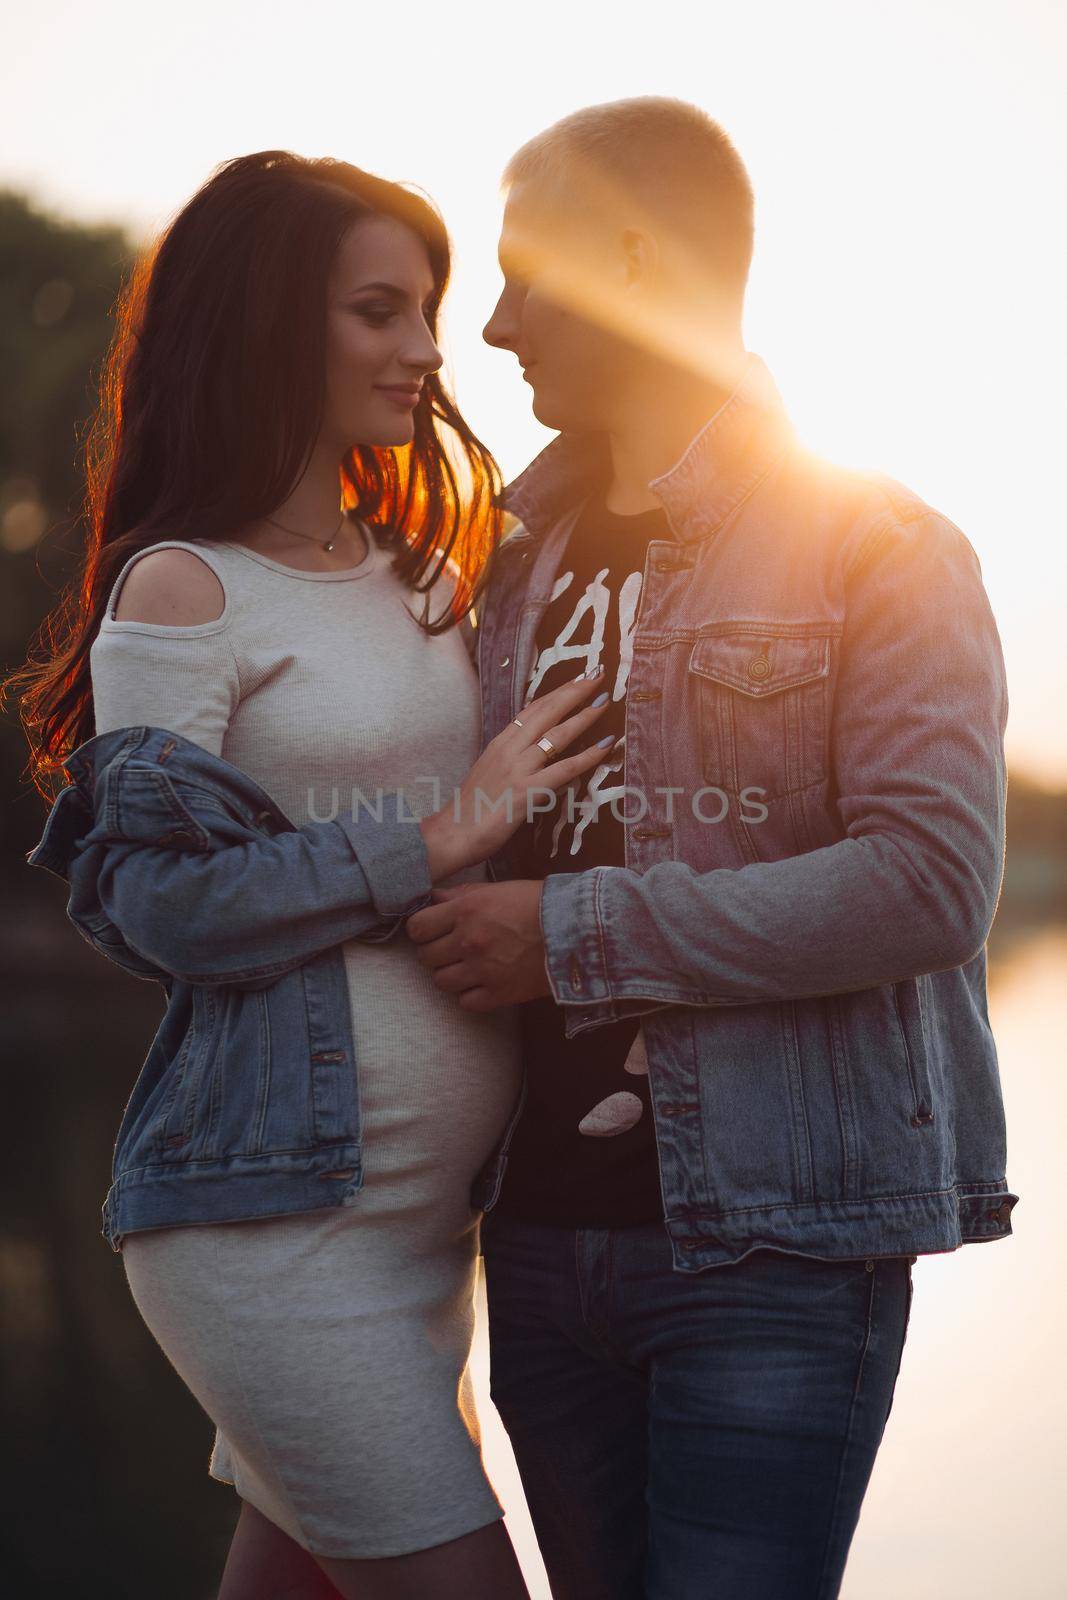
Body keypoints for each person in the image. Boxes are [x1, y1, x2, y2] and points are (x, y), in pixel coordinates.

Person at [406, 97, 1019, 1599]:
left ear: (627, 258)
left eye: (522, 278)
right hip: (535, 1241)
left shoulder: (879, 542)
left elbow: (931, 884)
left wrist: (568, 932)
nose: (490, 330)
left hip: (775, 1247)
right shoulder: (507, 558)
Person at [13, 150, 618, 1600]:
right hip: (270, 1231)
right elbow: (159, 907)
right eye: (379, 313)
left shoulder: (424, 573)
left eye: (427, 312)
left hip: (427, 1236)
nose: (425, 350)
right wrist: (435, 840)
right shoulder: (185, 590)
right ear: (271, 323)